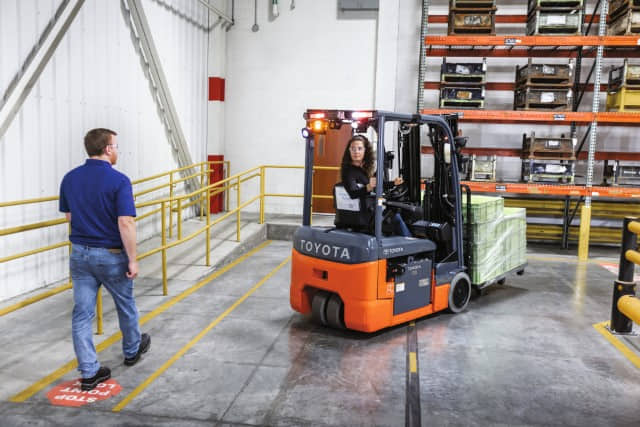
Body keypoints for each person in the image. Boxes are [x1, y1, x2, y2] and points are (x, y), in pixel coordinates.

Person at [59, 128, 150, 391]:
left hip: (79, 254)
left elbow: (69, 217)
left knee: (82, 314)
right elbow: (126, 222)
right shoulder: (119, 180)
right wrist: (133, 259)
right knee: (125, 304)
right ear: (108, 149)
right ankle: (132, 350)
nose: (118, 150)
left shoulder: (70, 178)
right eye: (116, 146)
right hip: (110, 255)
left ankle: (89, 372)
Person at [340, 134, 411, 237]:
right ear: (349, 151)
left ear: (365, 151)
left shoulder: (361, 170)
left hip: (369, 210)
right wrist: (368, 187)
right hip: (365, 215)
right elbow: (353, 193)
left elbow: (375, 185)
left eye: (359, 149)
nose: (356, 152)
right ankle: (409, 242)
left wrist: (393, 183)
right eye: (353, 149)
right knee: (396, 217)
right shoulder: (349, 172)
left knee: (394, 213)